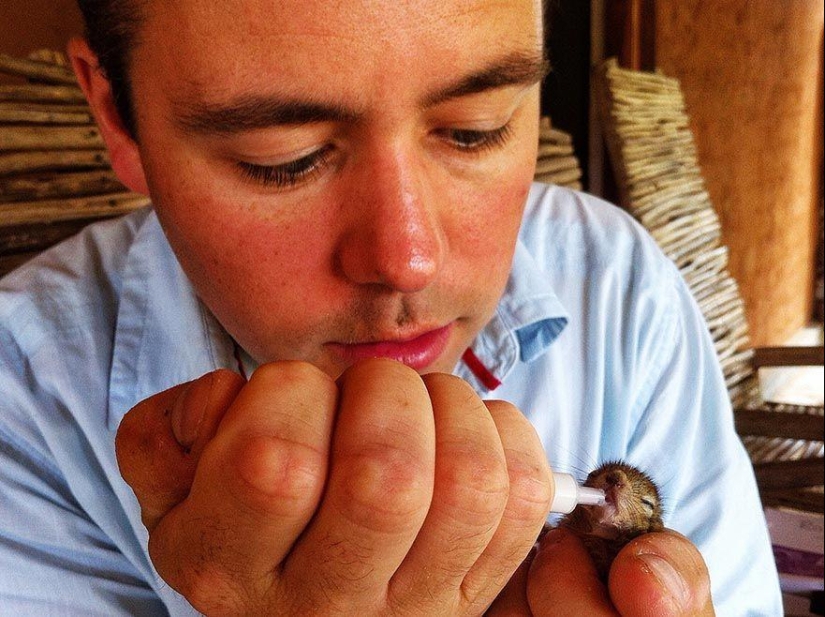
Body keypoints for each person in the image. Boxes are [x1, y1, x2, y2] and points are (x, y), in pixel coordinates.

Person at [0, 0, 782, 614]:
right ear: (116, 114)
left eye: (477, 132)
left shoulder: (614, 284)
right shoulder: (25, 397)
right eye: (285, 162)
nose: (408, 259)